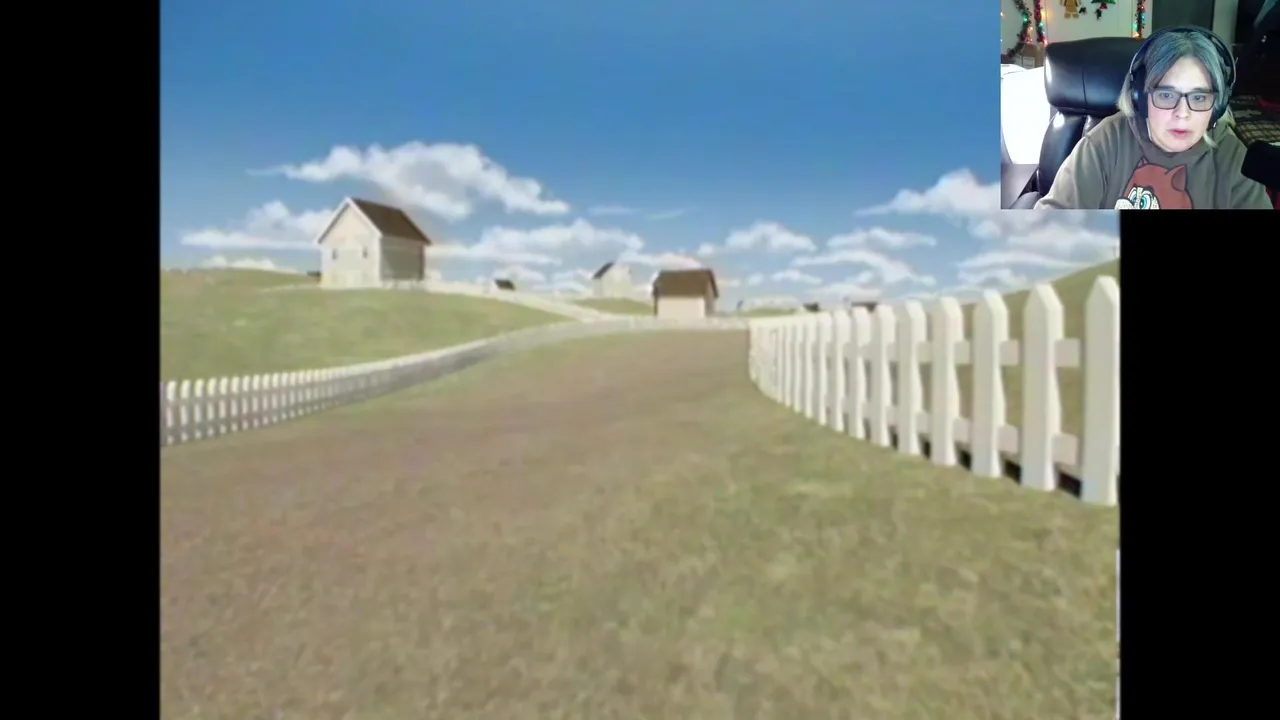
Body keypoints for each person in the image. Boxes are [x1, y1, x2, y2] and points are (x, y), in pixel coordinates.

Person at [1035, 26, 1273, 210]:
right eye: (1167, 95)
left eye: (1199, 97)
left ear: (1217, 105)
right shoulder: (1103, 145)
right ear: (1140, 96)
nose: (1183, 113)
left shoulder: (1234, 160)